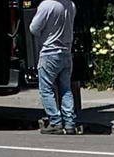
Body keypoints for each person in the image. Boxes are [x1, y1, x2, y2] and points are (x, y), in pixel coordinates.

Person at [30, 0, 80, 135]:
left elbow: (34, 28)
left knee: (46, 89)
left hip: (49, 53)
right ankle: (70, 123)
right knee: (66, 88)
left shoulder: (46, 5)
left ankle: (55, 122)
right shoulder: (71, 5)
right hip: (66, 52)